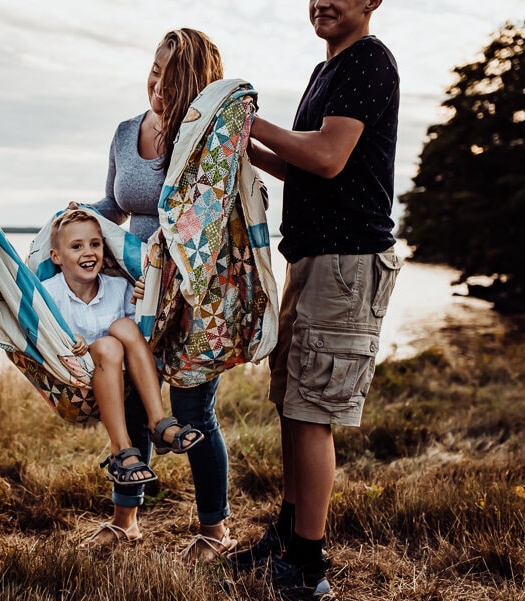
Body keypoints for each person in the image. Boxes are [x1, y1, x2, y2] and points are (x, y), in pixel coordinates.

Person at [228, 0, 402, 598]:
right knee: (293, 401)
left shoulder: (369, 61)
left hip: (348, 263)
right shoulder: (326, 70)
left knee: (313, 411)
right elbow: (305, 164)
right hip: (311, 258)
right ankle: (287, 533)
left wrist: (249, 123)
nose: (322, 1)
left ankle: (307, 564)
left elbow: (327, 158)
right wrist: (242, 149)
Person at [75, 29, 238, 566]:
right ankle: (127, 523)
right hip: (135, 292)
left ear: (197, 81)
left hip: (194, 290)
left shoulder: (208, 139)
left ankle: (215, 532)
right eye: (154, 68)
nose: (158, 83)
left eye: (172, 74)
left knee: (193, 411)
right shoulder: (126, 132)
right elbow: (114, 206)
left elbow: (213, 218)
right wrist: (74, 220)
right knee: (129, 401)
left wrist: (169, 266)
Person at [45, 209, 204, 496]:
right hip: (81, 377)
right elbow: (41, 336)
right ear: (56, 257)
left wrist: (143, 296)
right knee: (107, 345)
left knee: (123, 327)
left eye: (95, 244)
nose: (88, 252)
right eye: (76, 246)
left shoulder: (119, 287)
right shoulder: (48, 293)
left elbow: (141, 332)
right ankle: (121, 449)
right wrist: (69, 341)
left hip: (125, 372)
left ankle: (158, 422)